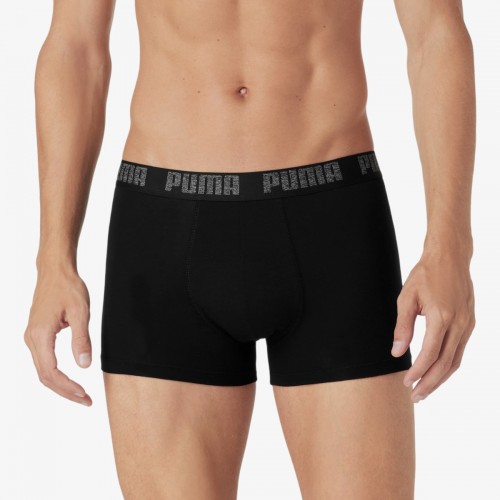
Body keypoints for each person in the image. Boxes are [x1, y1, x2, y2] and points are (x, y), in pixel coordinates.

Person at [23, 0, 476, 498]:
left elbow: (435, 33)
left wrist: (451, 246)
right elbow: (76, 46)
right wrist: (53, 259)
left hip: (332, 224)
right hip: (163, 229)